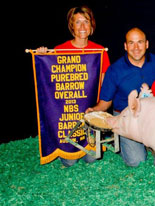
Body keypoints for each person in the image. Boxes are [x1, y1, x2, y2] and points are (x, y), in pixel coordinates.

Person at [37, 6, 110, 167]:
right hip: (67, 114)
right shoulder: (59, 50)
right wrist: (43, 58)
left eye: (86, 22)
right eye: (78, 22)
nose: (83, 27)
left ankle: (91, 138)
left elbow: (105, 85)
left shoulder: (100, 51)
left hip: (90, 111)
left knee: (92, 158)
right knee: (69, 162)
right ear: (72, 27)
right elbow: (51, 85)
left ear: (91, 26)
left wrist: (98, 109)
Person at [86, 27, 155, 167]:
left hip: (154, 117)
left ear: (147, 44)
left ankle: (148, 142)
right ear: (125, 46)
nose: (136, 47)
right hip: (126, 117)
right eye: (131, 43)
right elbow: (105, 103)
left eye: (140, 42)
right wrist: (93, 110)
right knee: (136, 161)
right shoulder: (114, 70)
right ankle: (121, 137)